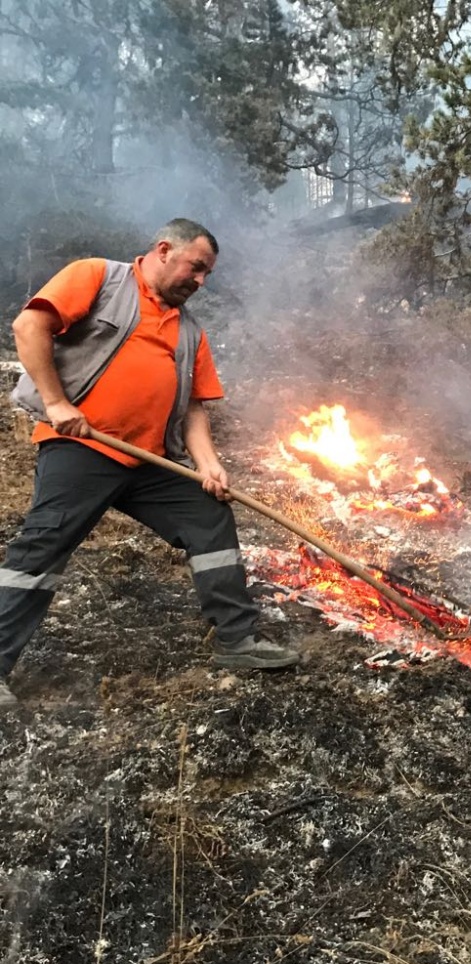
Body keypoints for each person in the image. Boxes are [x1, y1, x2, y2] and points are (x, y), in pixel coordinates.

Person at [0, 218, 299, 710]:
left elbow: (195, 409)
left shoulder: (191, 333)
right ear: (164, 249)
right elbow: (29, 325)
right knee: (43, 546)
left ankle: (236, 641)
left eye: (208, 275)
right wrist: (56, 404)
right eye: (196, 267)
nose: (200, 281)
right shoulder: (99, 277)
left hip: (150, 461)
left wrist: (209, 465)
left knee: (209, 516)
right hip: (82, 448)